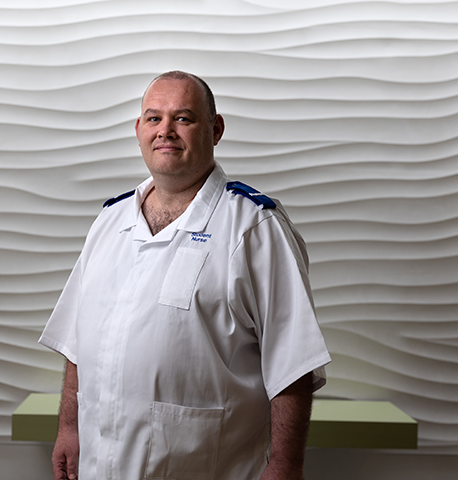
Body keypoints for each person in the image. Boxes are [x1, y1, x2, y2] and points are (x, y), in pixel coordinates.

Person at [39, 71, 331, 480]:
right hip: (99, 467)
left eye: (184, 119)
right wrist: (69, 427)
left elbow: (292, 362)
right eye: (154, 118)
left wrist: (285, 465)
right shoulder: (109, 221)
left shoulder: (253, 226)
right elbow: (77, 344)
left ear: (215, 130)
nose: (166, 131)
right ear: (139, 130)